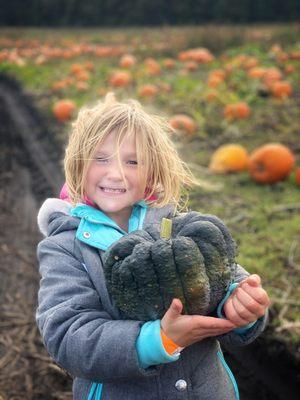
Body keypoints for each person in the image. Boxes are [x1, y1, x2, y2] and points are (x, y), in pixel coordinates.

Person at [36, 93, 270, 400]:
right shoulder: (65, 246)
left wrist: (241, 307)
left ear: (152, 172)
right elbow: (68, 336)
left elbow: (226, 281)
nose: (115, 173)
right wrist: (157, 340)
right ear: (78, 165)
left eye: (132, 161)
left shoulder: (177, 228)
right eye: (100, 158)